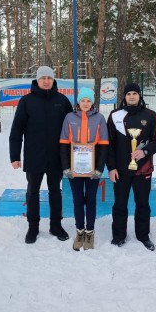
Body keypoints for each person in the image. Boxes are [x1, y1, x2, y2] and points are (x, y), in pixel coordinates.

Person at [9, 66, 73, 244]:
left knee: (55, 191)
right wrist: (14, 156)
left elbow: (72, 127)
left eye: (49, 78)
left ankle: (55, 225)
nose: (46, 81)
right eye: (43, 78)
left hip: (56, 156)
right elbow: (17, 130)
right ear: (37, 80)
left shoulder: (62, 100)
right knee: (33, 192)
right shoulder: (26, 101)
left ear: (53, 80)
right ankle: (33, 227)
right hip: (34, 155)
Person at [106, 83, 156, 251]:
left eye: (135, 93)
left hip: (143, 170)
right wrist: (111, 167)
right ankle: (118, 236)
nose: (132, 96)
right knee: (120, 204)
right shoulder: (115, 115)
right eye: (129, 93)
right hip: (121, 171)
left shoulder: (150, 116)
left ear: (140, 96)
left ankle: (143, 235)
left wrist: (144, 152)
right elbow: (109, 144)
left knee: (143, 204)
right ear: (124, 96)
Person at [60, 87, 109, 251]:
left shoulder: (100, 118)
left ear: (92, 102)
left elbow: (103, 146)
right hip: (74, 169)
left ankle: (90, 232)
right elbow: (64, 144)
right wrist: (66, 167)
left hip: (92, 169)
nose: (86, 103)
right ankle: (79, 231)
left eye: (88, 100)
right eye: (83, 100)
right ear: (78, 102)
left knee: (90, 199)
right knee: (77, 200)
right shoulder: (69, 117)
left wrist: (99, 168)